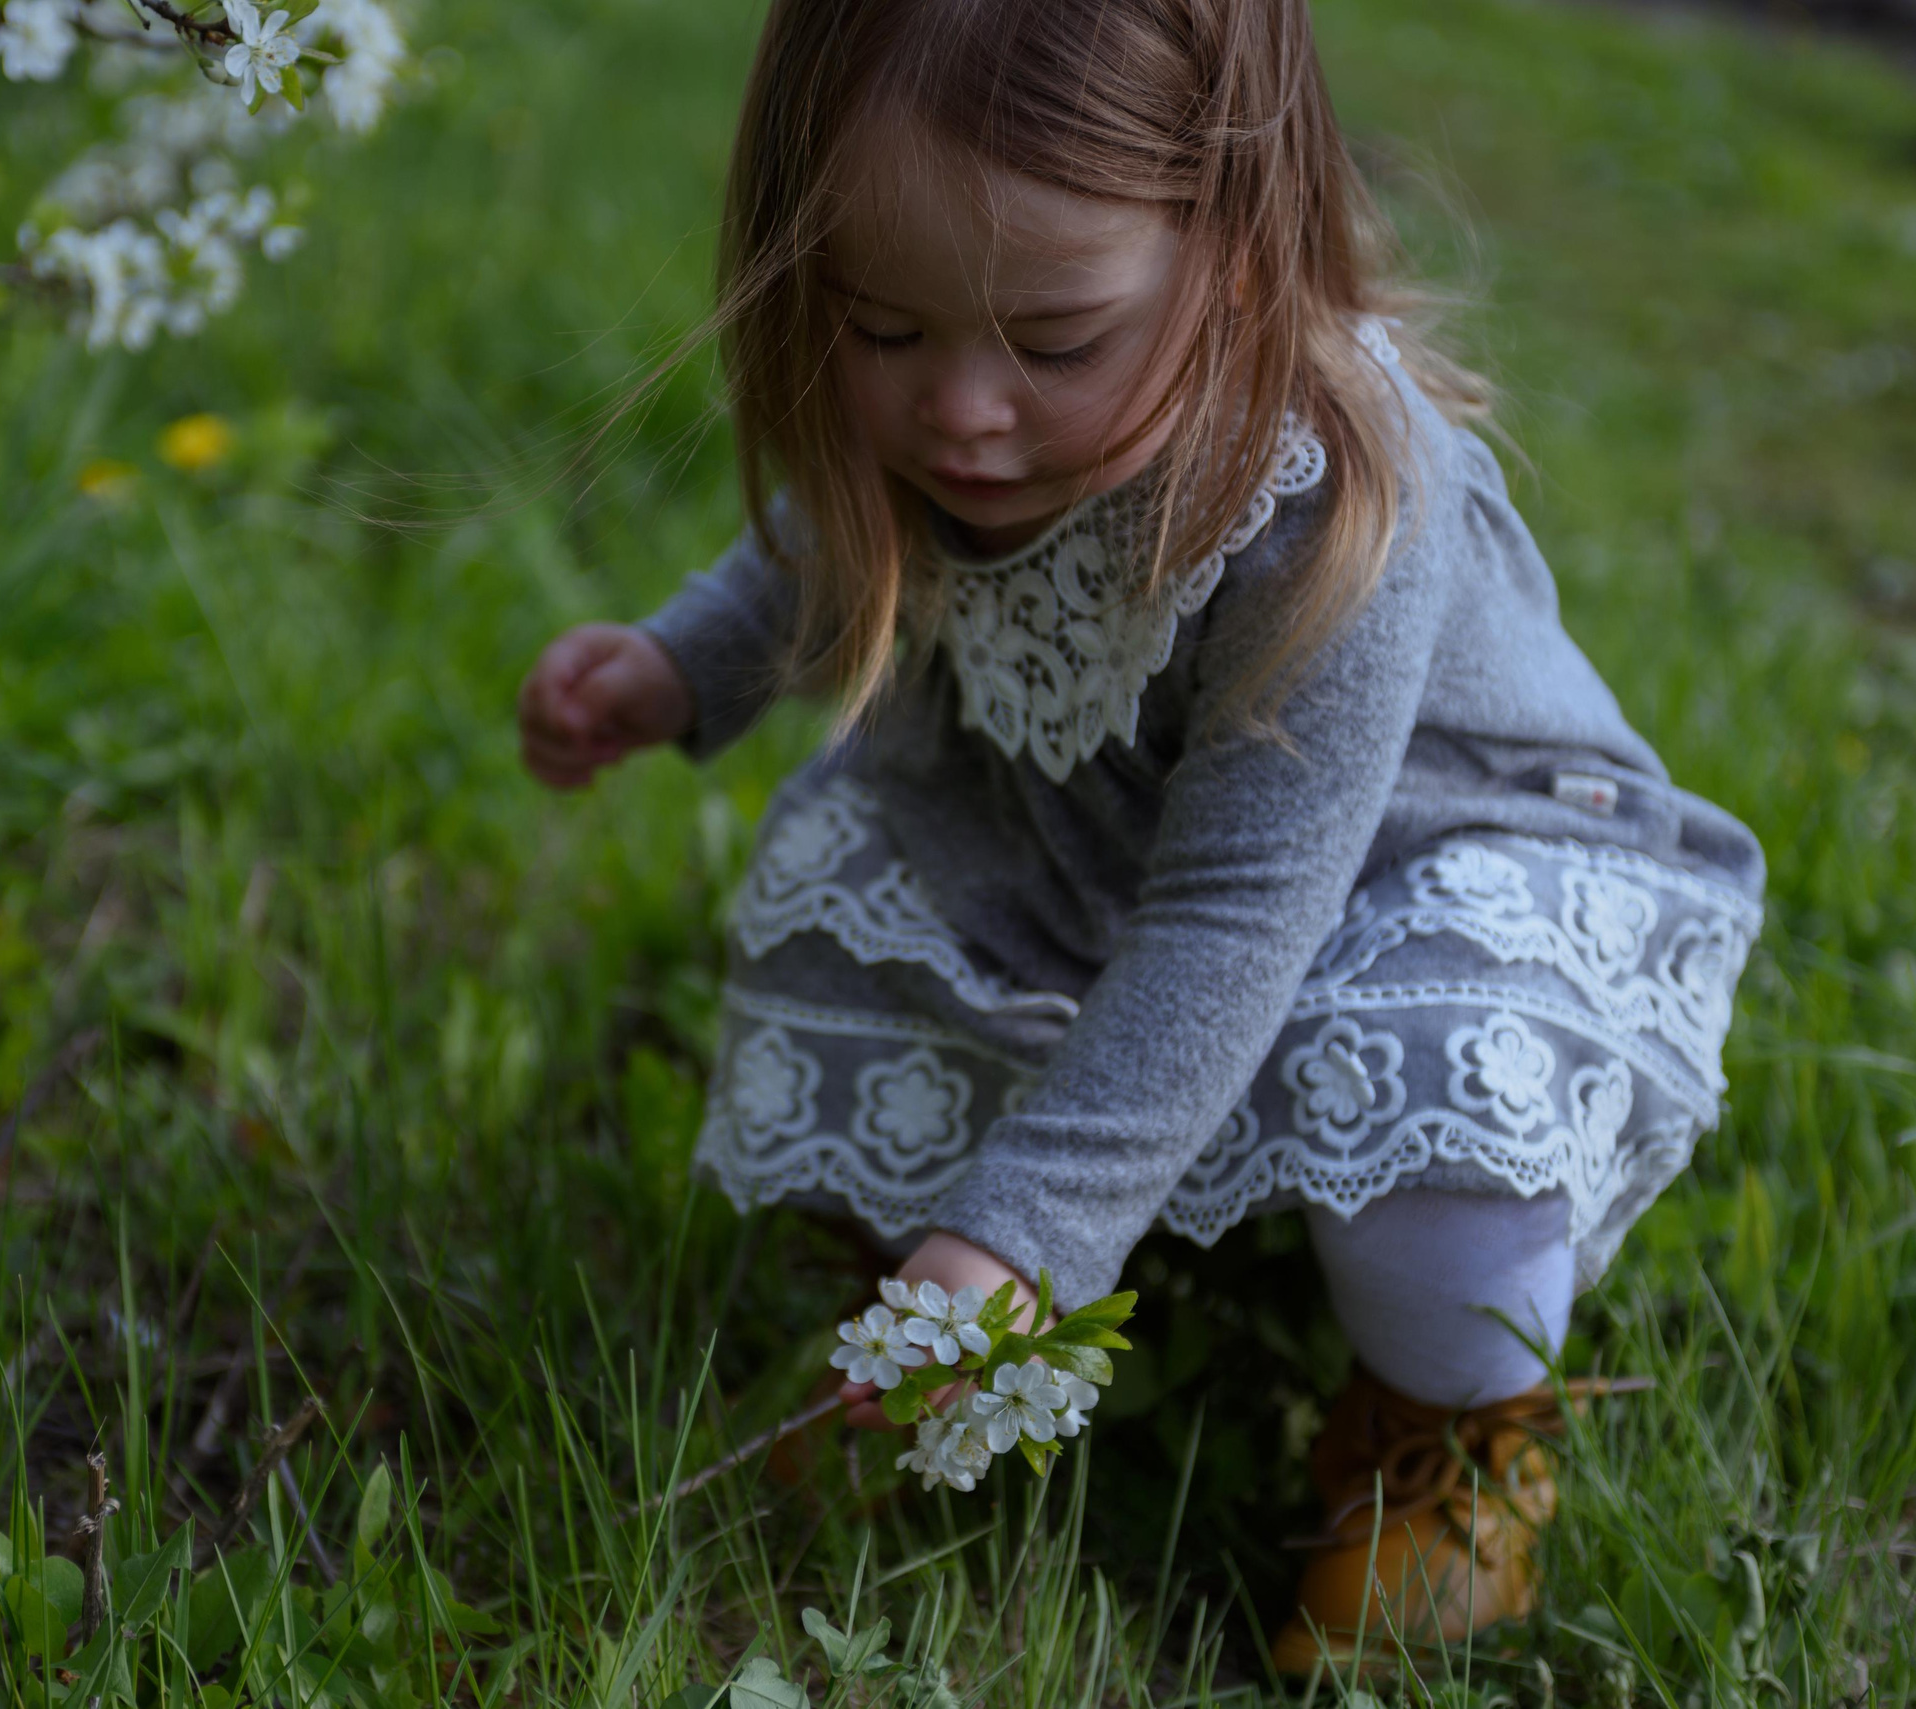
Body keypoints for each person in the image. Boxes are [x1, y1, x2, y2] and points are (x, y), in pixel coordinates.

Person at [515, 0, 1762, 1672]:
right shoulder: (965, 412)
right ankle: (924, 1311)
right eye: (882, 330)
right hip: (1091, 858)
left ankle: (1448, 1424)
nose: (962, 412)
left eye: (1054, 341)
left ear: (1242, 250)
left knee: (1432, 1151)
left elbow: (1242, 909)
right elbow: (827, 533)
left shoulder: (1330, 498)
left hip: (1413, 876)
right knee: (875, 912)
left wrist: (1028, 1233)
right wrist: (681, 667)